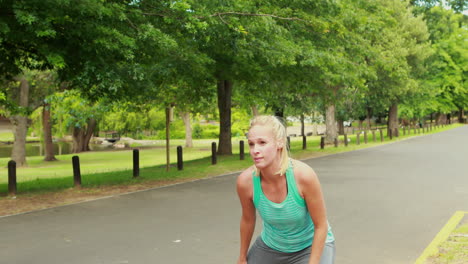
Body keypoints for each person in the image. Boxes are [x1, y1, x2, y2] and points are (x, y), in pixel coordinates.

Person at [236, 115, 335, 264]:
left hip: (310, 245)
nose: (255, 150)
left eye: (262, 143)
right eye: (251, 144)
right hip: (272, 246)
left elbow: (320, 226)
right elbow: (248, 220)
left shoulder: (303, 176)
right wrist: (242, 257)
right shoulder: (246, 182)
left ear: (279, 142)